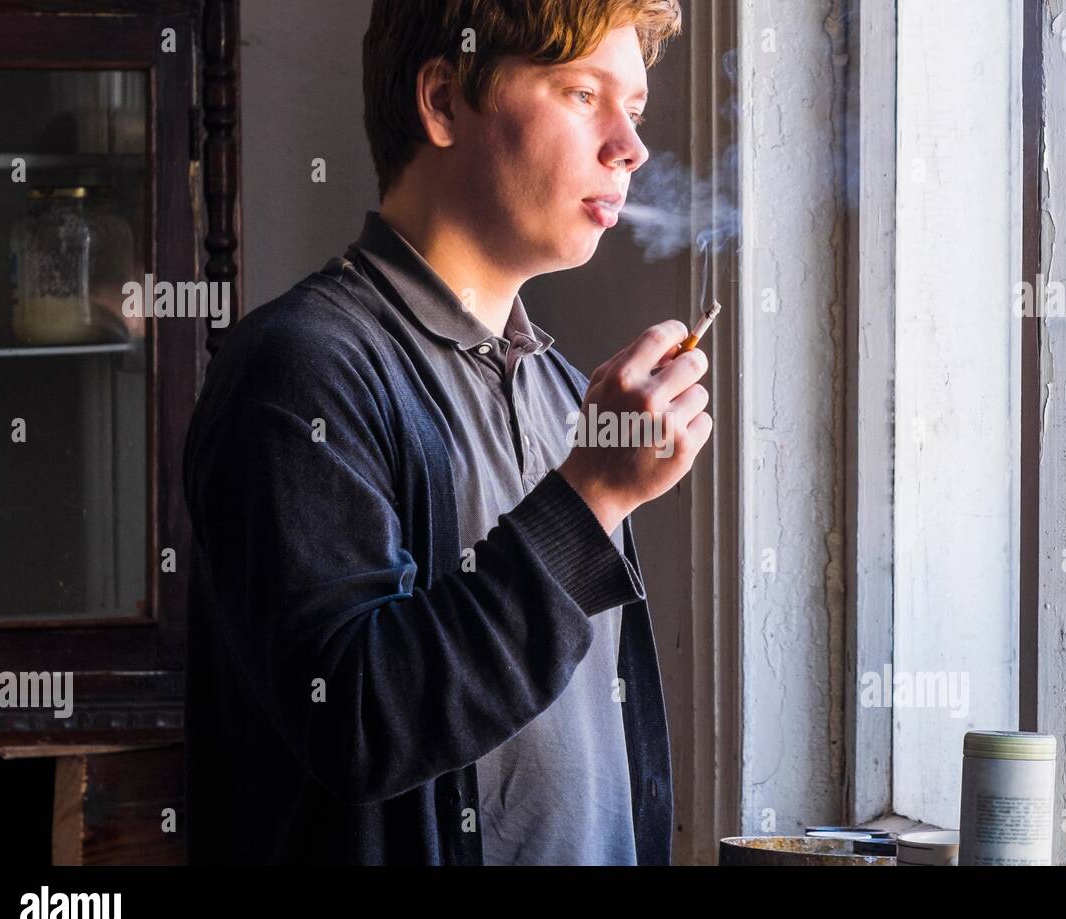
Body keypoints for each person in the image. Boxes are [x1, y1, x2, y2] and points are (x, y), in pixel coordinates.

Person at [183, 0, 708, 865]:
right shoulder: (298, 372)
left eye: (636, 109)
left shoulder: (564, 395)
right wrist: (589, 501)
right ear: (441, 100)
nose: (631, 147)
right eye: (583, 95)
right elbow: (353, 720)